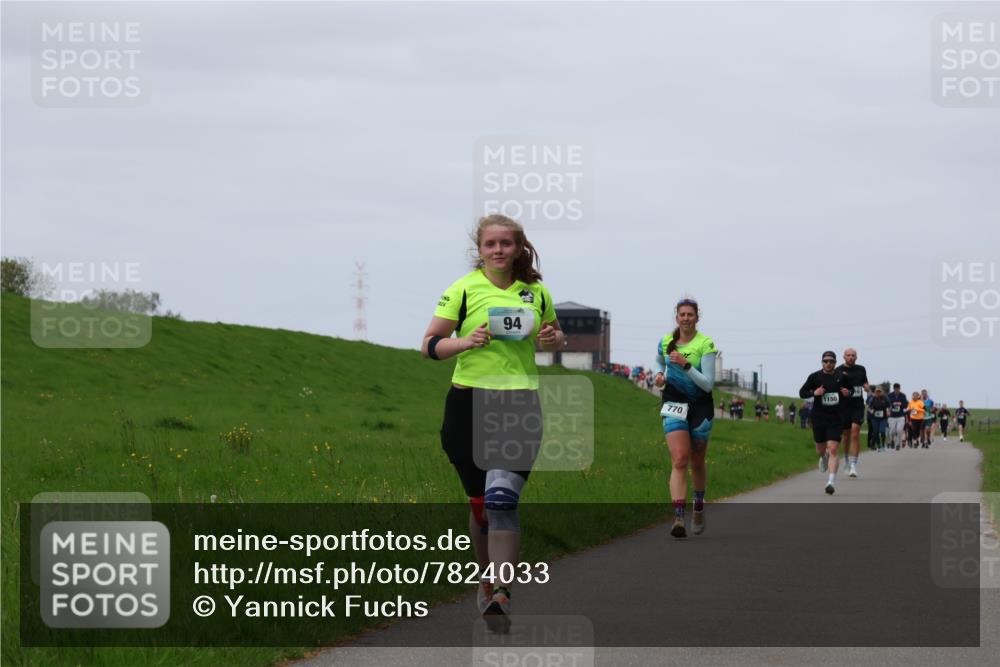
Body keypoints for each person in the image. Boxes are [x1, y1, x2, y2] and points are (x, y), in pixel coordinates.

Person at [422, 214, 564, 623]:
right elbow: (429, 345)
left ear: (519, 248)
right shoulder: (463, 290)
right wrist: (466, 342)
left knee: (502, 499)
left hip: (518, 404)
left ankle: (502, 591)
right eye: (491, 244)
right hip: (467, 404)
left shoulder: (536, 293)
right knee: (482, 506)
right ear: (480, 249)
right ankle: (486, 579)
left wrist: (554, 338)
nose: (498, 250)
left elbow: (554, 336)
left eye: (506, 243)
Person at [654, 298, 718, 539]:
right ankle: (679, 517)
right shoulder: (665, 341)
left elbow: (708, 384)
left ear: (697, 317)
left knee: (697, 462)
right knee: (680, 459)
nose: (686, 318)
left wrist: (686, 365)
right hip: (674, 402)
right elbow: (659, 360)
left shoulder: (705, 344)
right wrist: (659, 375)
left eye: (690, 314)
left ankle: (698, 507)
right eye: (682, 314)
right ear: (677, 317)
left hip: (700, 406)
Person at [800, 351, 851, 494]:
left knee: (833, 449)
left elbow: (851, 391)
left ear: (835, 363)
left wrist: (848, 393)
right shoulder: (814, 376)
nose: (828, 364)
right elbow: (802, 392)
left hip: (836, 418)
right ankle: (823, 457)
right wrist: (814, 393)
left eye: (831, 361)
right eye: (826, 361)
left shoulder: (842, 377)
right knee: (820, 450)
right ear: (822, 362)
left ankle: (831, 482)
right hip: (819, 418)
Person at [836, 348, 869, 478]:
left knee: (855, 433)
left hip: (857, 405)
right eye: (848, 355)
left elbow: (865, 382)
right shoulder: (838, 370)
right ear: (844, 357)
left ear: (856, 357)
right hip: (844, 406)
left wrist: (866, 386)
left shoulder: (861, 369)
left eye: (853, 355)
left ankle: (854, 465)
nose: (850, 357)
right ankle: (846, 460)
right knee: (846, 436)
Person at [887, 383, 908, 451]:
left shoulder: (903, 395)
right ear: (894, 389)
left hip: (900, 416)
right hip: (892, 416)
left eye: (898, 389)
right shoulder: (889, 395)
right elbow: (887, 404)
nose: (897, 390)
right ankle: (892, 440)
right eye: (895, 389)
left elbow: (905, 405)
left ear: (899, 388)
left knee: (899, 430)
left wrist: (900, 404)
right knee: (892, 431)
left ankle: (898, 444)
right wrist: (892, 405)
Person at [868, 387, 890, 451]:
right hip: (874, 418)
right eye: (877, 391)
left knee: (882, 431)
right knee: (876, 432)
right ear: (875, 392)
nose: (878, 393)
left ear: (881, 392)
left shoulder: (885, 398)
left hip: (883, 418)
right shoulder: (872, 399)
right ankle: (879, 446)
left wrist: (888, 411)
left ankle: (883, 445)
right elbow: (869, 407)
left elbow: (888, 406)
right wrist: (871, 411)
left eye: (879, 391)